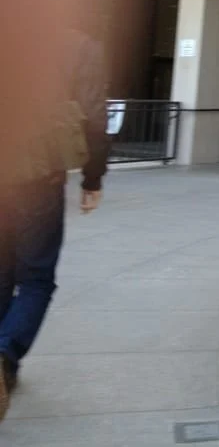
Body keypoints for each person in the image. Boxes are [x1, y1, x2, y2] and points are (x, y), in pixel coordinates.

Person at [0, 29, 110, 422]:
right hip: (38, 176)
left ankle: (5, 369)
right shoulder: (79, 45)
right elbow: (95, 116)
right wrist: (93, 178)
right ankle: (5, 354)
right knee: (35, 278)